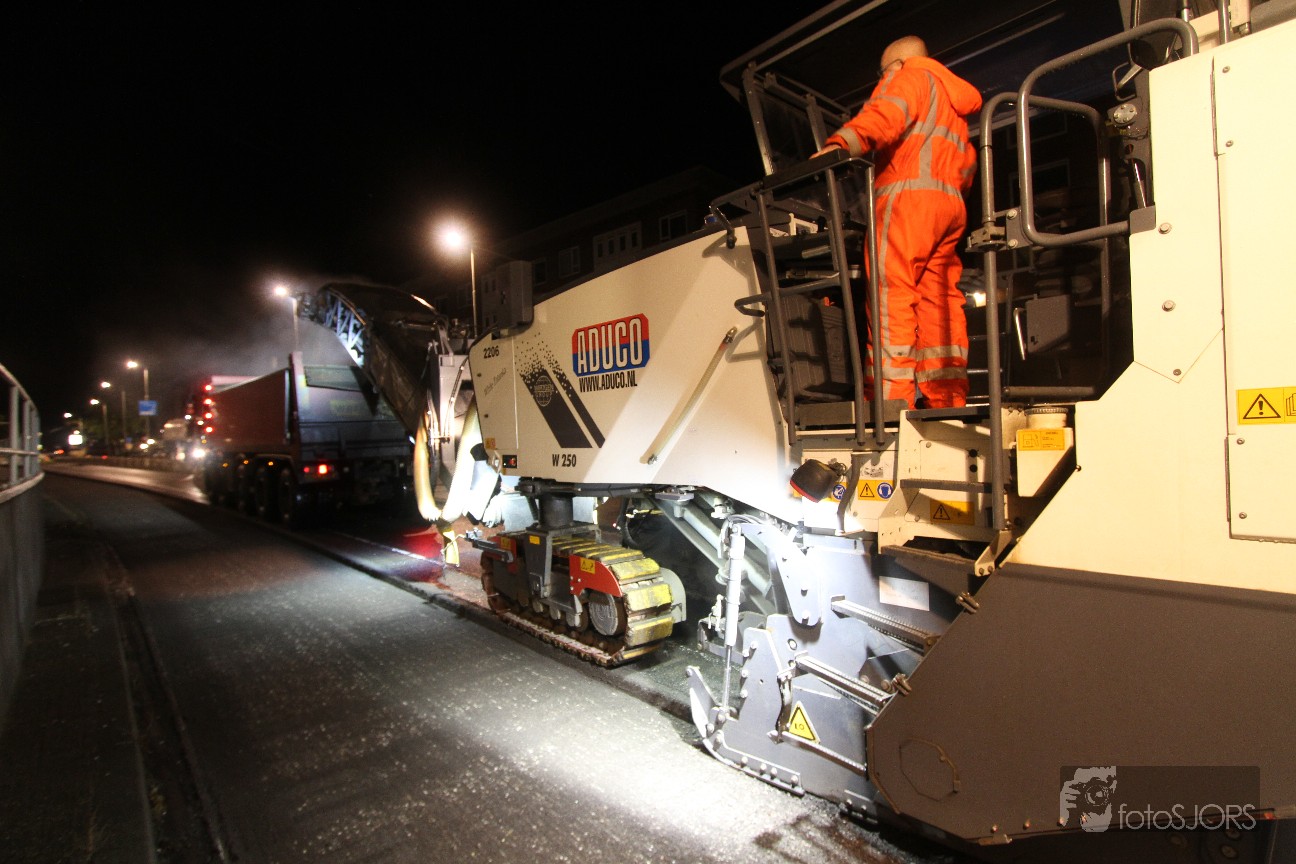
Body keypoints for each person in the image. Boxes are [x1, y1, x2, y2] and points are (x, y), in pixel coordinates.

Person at [815, 35, 981, 409]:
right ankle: (947, 399)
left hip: (907, 198)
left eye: (882, 73)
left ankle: (890, 405)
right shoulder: (951, 103)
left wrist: (839, 145)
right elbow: (967, 166)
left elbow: (886, 114)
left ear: (897, 65)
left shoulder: (910, 76)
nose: (882, 80)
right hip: (950, 208)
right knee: (940, 303)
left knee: (891, 298)